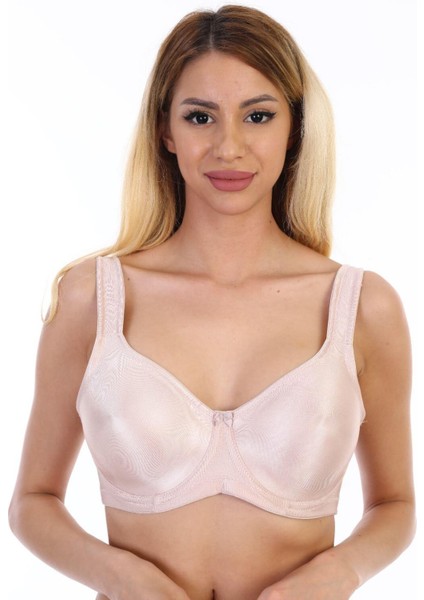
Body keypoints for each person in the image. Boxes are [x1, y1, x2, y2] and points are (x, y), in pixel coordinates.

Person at [8, 5, 415, 599]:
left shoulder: (360, 306)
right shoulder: (92, 299)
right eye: (200, 117)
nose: (229, 147)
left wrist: (334, 576)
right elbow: (33, 501)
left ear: (295, 129)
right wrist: (123, 577)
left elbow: (394, 504)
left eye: (258, 116)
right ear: (165, 131)